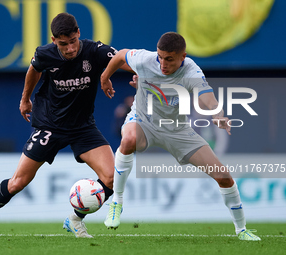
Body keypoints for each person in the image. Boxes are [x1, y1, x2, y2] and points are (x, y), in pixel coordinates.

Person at [0, 13, 131, 238]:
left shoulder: (94, 51)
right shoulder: (44, 53)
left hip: (83, 128)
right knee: (18, 182)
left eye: (72, 42)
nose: (69, 49)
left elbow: (124, 58)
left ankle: (75, 219)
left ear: (78, 33)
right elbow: (34, 70)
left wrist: (110, 74)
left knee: (111, 178)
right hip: (50, 126)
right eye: (62, 44)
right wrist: (25, 98)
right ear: (54, 40)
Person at [100, 32, 261, 241]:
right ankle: (116, 203)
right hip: (144, 121)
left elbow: (206, 97)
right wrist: (105, 77)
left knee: (223, 176)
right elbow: (121, 55)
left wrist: (216, 112)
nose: (162, 64)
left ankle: (242, 230)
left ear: (182, 57)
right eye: (160, 57)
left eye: (169, 59)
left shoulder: (192, 70)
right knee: (128, 140)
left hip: (177, 130)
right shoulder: (146, 59)